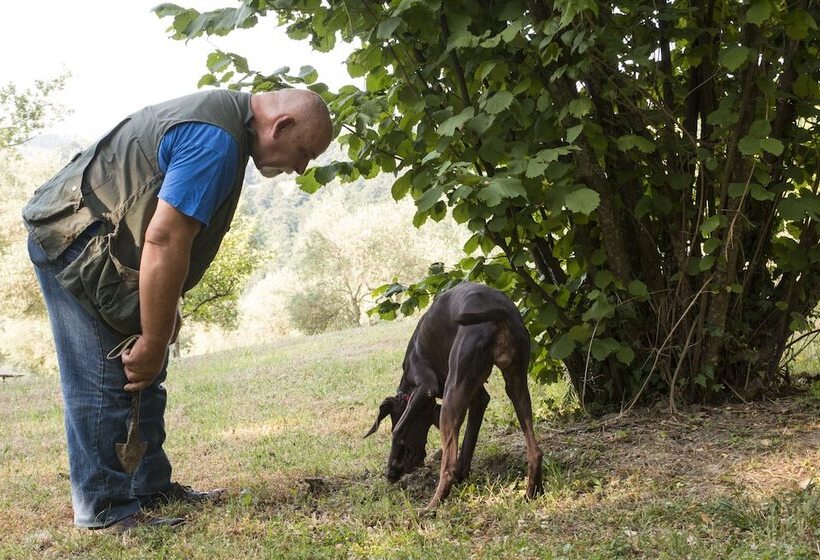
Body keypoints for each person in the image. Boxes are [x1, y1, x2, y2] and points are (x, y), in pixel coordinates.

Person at [23, 88, 333, 532]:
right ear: (280, 126)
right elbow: (165, 239)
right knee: (104, 378)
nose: (301, 167)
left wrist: (162, 319)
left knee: (152, 365)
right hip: (71, 241)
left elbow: (164, 236)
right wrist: (150, 338)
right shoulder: (216, 140)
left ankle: (150, 486)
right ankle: (105, 509)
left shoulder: (226, 126)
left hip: (105, 245)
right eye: (304, 152)